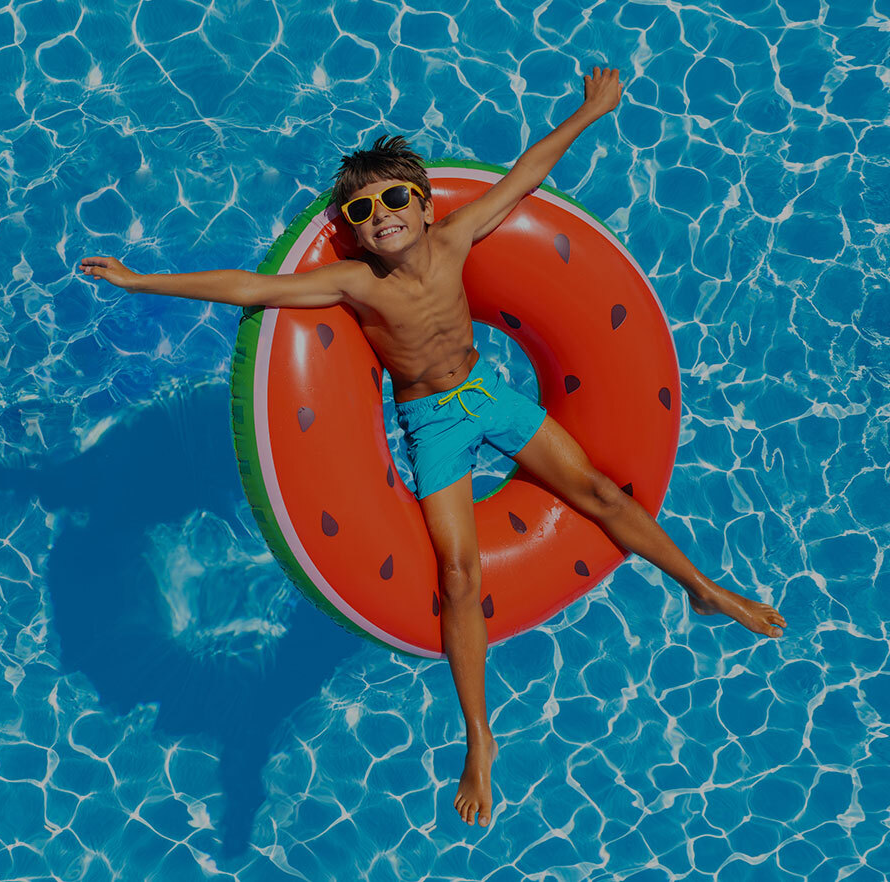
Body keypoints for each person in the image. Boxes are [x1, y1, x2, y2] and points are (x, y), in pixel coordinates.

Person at [76, 68, 786, 828]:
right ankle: (479, 736)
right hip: (432, 424)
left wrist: (589, 110)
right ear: (350, 227)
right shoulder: (356, 283)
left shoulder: (454, 239)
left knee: (606, 494)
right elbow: (253, 289)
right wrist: (145, 281)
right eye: (360, 209)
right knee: (457, 572)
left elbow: (527, 174)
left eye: (390, 200)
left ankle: (701, 587)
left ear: (420, 204)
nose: (378, 215)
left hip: (492, 395)